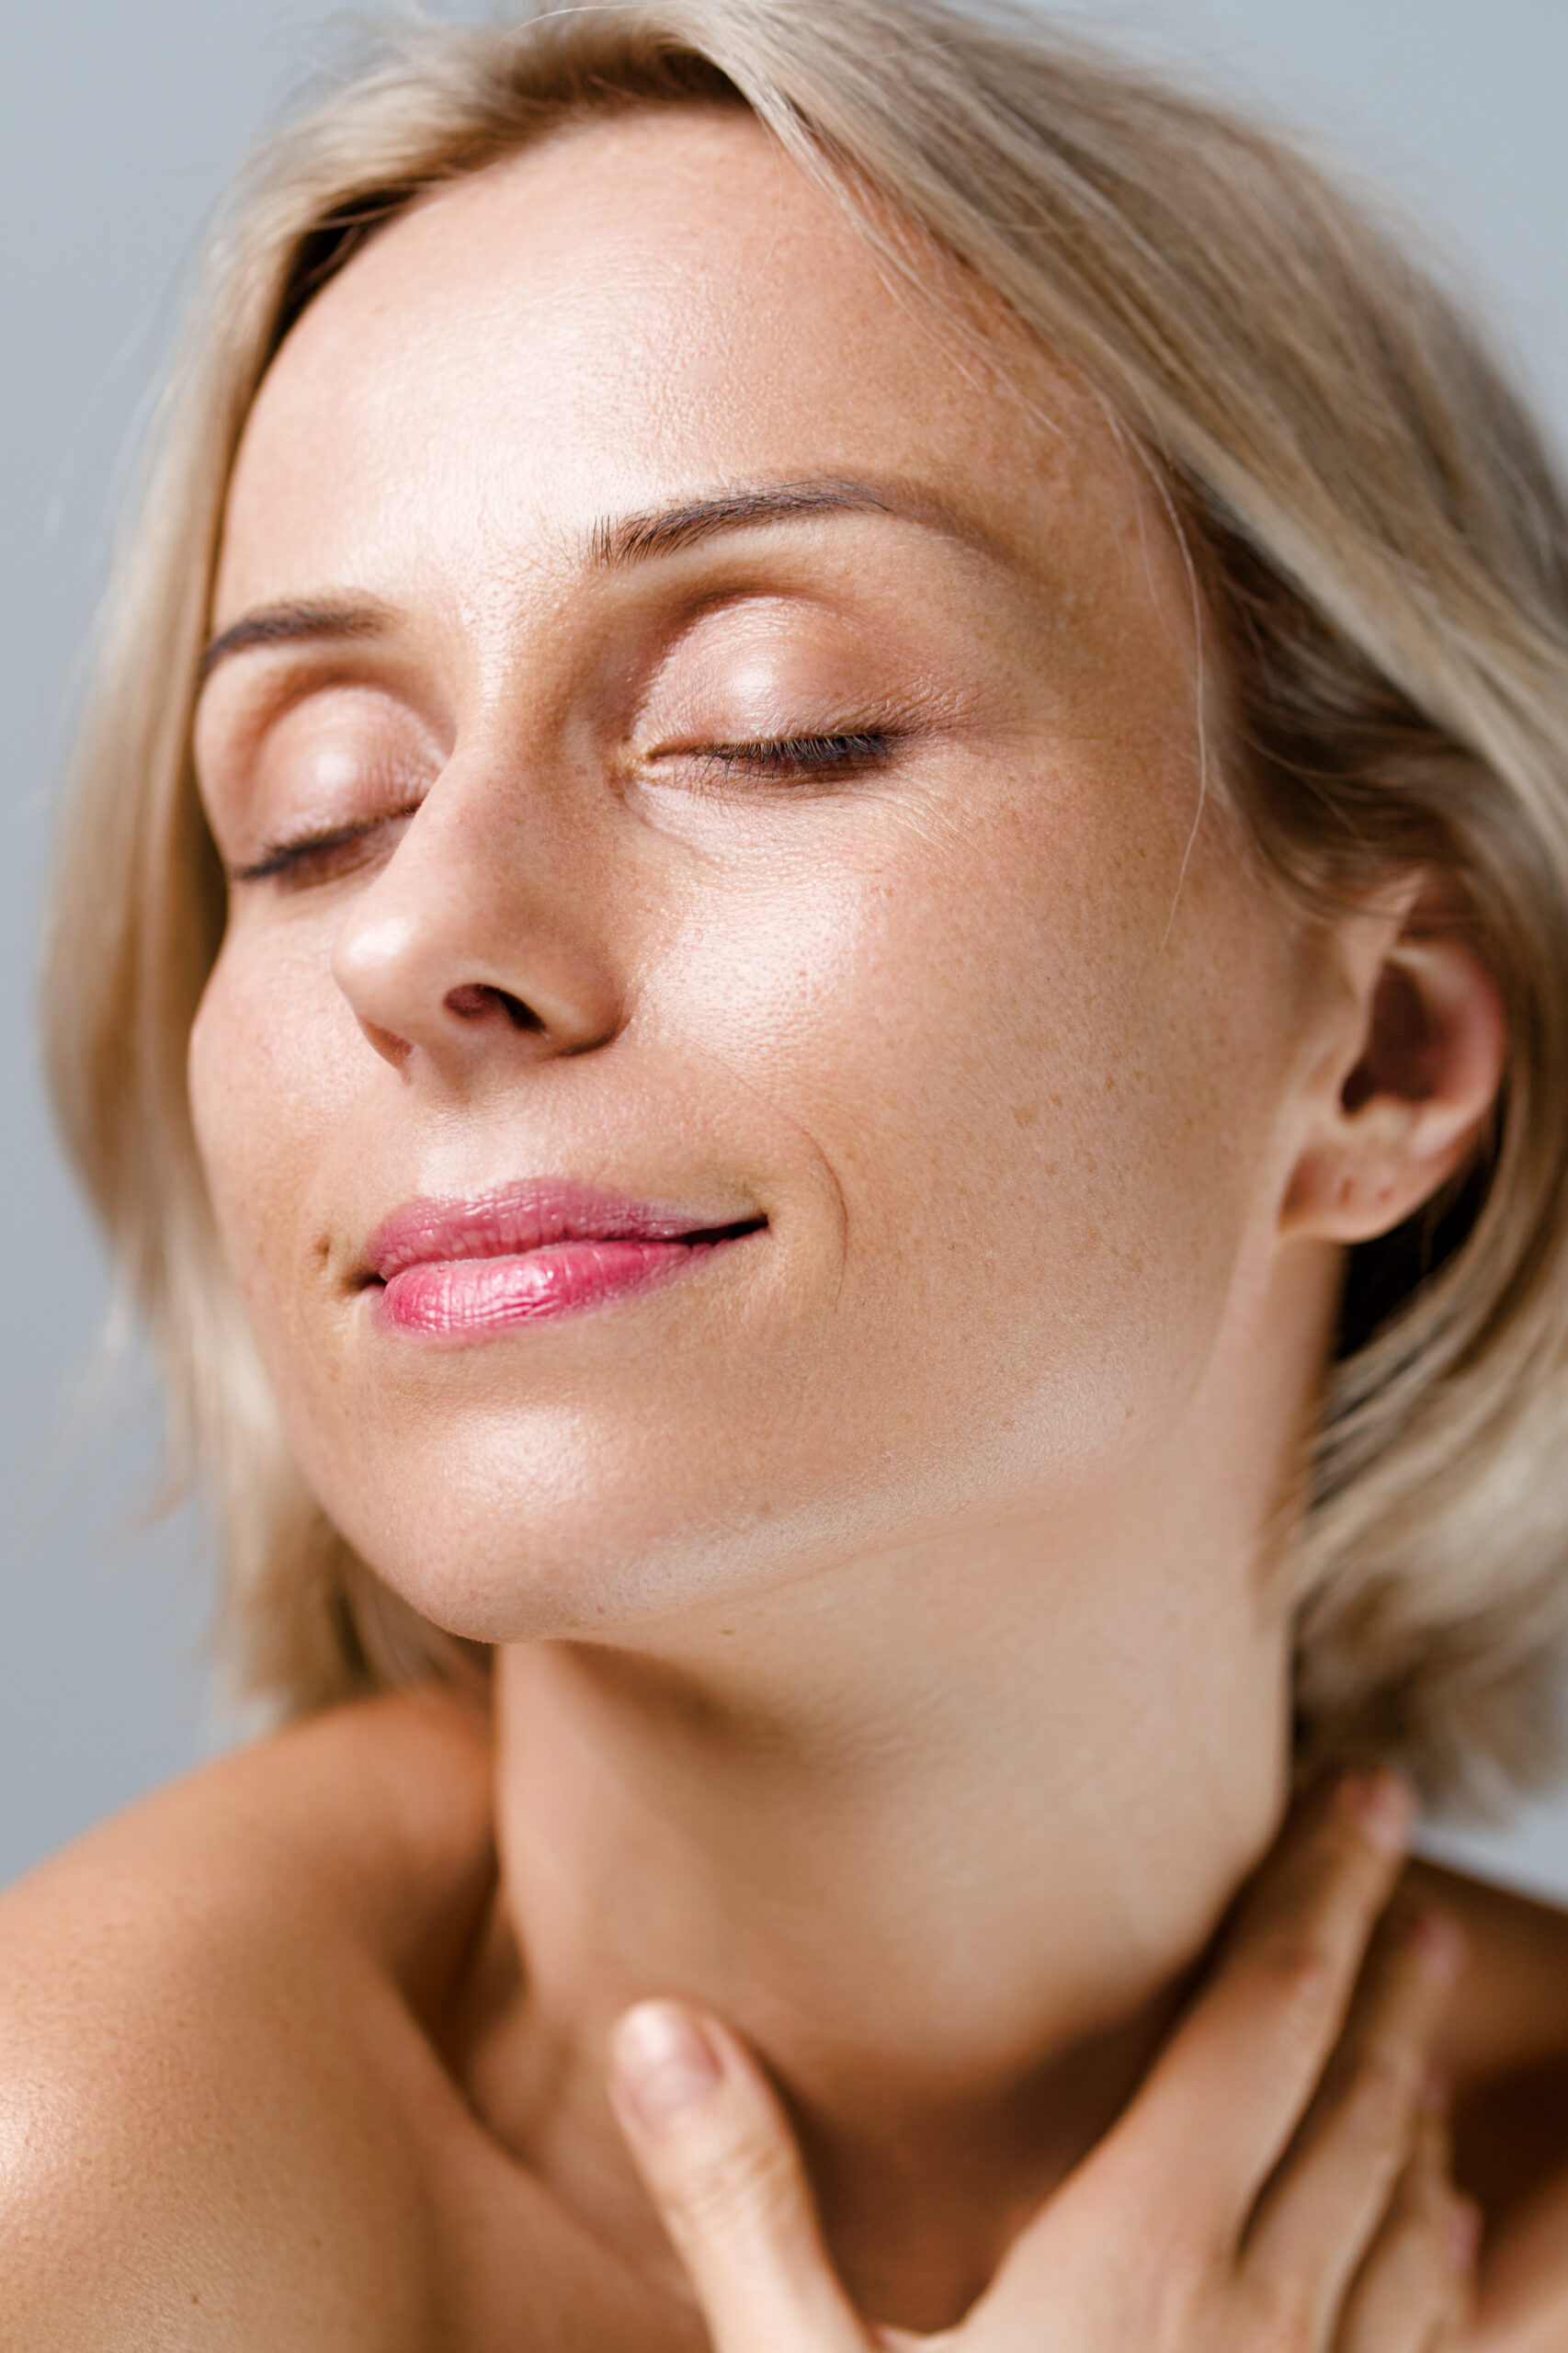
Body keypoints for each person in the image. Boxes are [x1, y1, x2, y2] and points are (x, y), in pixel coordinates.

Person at [5, 0, 1568, 2342]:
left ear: (1386, 1048)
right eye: (314, 810)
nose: (422, 930)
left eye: (772, 727)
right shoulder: (78, 2187)